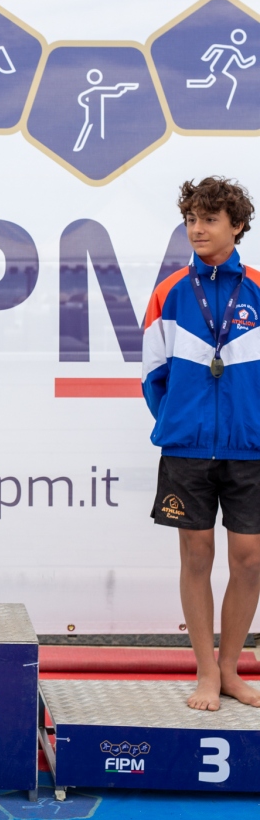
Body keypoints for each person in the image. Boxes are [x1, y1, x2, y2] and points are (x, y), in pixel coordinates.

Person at [143, 176, 260, 712]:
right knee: (196, 555)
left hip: (250, 448)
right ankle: (206, 672)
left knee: (249, 559)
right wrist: (180, 421)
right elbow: (153, 374)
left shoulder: (255, 289)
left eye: (210, 219)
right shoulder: (170, 292)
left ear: (238, 226)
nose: (197, 229)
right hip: (186, 448)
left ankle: (232, 669)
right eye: (191, 219)